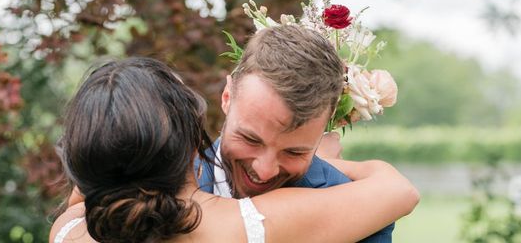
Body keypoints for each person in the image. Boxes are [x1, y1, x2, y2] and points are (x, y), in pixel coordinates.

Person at [50, 57, 419, 243]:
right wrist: (318, 158)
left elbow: (89, 184)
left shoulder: (68, 232)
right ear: (192, 143)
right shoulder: (248, 224)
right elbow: (396, 191)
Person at [198, 24, 396, 242]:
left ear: (326, 125)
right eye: (250, 139)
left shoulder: (364, 218)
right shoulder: (165, 185)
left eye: (293, 152)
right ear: (227, 97)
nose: (264, 171)